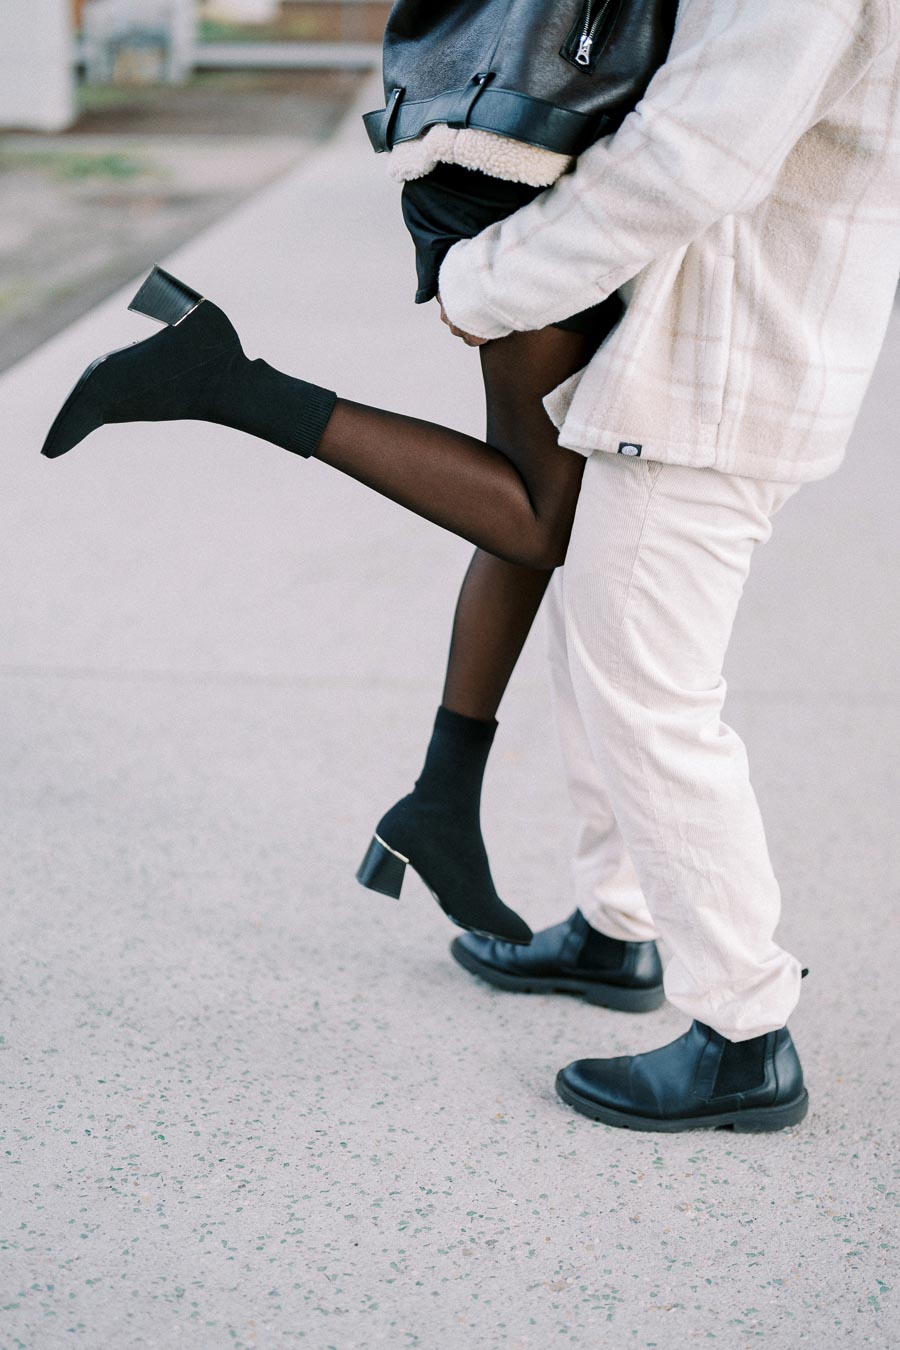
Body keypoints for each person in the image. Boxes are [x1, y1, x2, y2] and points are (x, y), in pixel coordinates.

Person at [40, 0, 899, 1130]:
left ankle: (743, 1033)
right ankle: (616, 925)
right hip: (692, 339)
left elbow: (695, 155)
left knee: (650, 691)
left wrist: (492, 282)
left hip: (722, 366)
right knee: (602, 645)